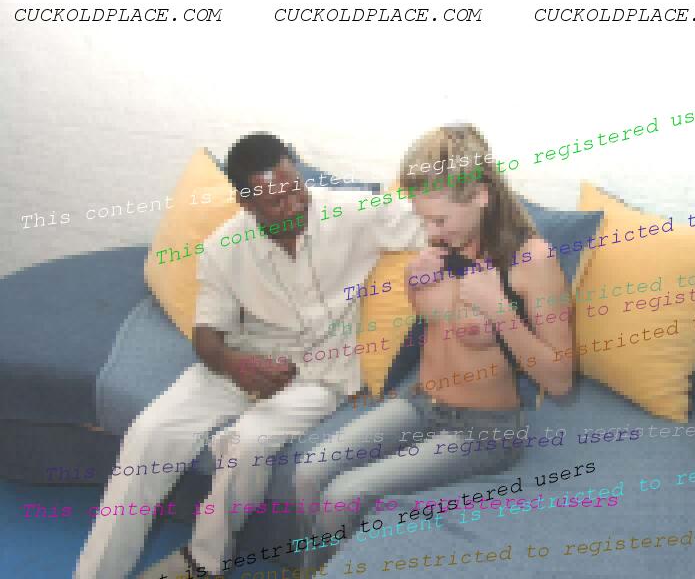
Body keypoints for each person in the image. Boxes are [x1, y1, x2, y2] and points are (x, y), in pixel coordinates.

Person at [73, 132, 425, 579]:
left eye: (296, 189)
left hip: (317, 375)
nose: (295, 206)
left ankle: (204, 561)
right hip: (237, 359)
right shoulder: (223, 248)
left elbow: (441, 223)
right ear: (246, 204)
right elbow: (207, 335)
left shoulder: (351, 213)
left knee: (247, 442)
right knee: (149, 433)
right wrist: (234, 364)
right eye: (276, 201)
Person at [293, 124, 574, 570]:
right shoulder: (444, 242)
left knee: (345, 495)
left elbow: (559, 380)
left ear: (480, 196)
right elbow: (441, 326)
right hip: (421, 403)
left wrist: (500, 310)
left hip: (485, 430)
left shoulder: (531, 260)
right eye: (422, 219)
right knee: (310, 470)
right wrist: (415, 284)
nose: (429, 231)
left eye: (438, 220)